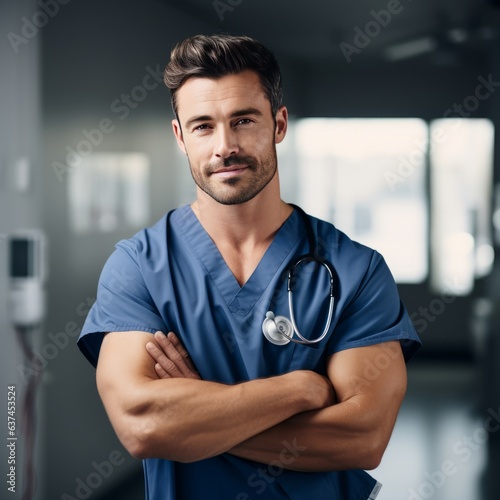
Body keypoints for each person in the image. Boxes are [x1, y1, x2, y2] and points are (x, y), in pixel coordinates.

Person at [77, 34, 421, 500]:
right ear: (180, 137)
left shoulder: (356, 270)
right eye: (203, 126)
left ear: (278, 124)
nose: (225, 146)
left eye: (243, 120)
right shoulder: (138, 267)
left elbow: (362, 437)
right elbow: (145, 426)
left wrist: (197, 420)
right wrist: (300, 390)